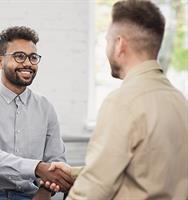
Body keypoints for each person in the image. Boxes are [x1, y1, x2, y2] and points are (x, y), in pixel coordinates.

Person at [45, 0, 188, 199]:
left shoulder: (123, 102)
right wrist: (72, 173)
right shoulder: (179, 101)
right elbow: (144, 170)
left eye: (107, 41)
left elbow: (92, 190)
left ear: (120, 44)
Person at [0, 26, 72, 200]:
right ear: (0, 61)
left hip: (30, 195)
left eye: (33, 57)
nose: (28, 63)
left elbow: (56, 159)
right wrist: (37, 168)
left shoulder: (45, 107)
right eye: (19, 56)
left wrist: (45, 190)